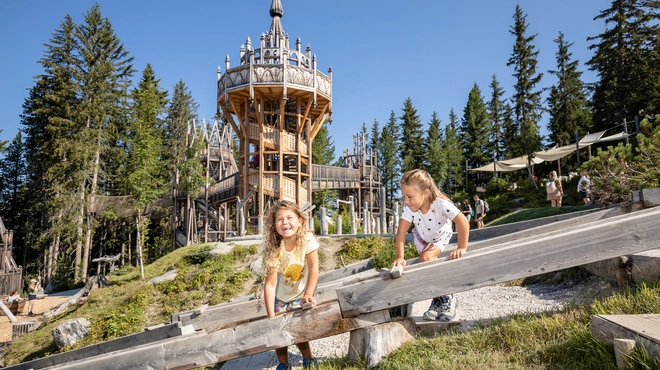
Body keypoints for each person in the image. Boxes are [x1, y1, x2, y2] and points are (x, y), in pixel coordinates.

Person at [392, 169, 469, 322]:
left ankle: (448, 296)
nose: (406, 201)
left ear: (425, 193)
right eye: (404, 197)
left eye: (409, 196)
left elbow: (463, 222)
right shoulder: (410, 209)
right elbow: (401, 233)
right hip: (422, 237)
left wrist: (461, 247)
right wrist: (400, 257)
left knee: (426, 257)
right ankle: (437, 299)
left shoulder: (440, 204)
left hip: (441, 234)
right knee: (425, 260)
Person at [262, 200, 320, 370]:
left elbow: (314, 268)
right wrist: (270, 315)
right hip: (281, 296)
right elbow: (270, 284)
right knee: (278, 332)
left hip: (299, 294)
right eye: (279, 219)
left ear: (300, 220)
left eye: (289, 217)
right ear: (274, 225)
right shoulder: (275, 247)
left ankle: (308, 359)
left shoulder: (307, 239)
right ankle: (283, 364)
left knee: (299, 330)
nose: (285, 222)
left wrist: (308, 294)